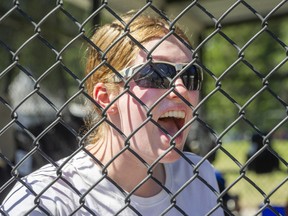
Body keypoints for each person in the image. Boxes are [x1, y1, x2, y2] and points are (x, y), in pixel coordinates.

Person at [1, 12, 224, 215]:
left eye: (190, 75)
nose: (182, 90)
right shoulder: (47, 201)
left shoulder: (198, 176)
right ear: (106, 97)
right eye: (157, 74)